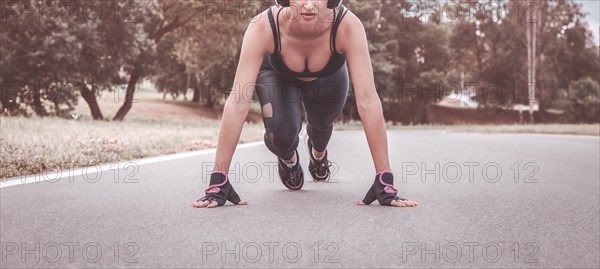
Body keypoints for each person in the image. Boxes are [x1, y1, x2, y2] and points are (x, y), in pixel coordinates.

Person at [191, 0, 418, 208]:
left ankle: (318, 155)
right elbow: (238, 102)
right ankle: (289, 161)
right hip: (277, 77)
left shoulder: (348, 25)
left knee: (321, 126)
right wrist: (218, 179)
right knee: (281, 135)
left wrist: (384, 178)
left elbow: (368, 101)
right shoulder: (263, 26)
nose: (309, 5)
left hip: (329, 80)